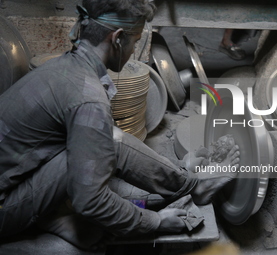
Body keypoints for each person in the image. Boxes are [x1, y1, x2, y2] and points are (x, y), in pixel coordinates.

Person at [0, 0, 240, 250]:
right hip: (4, 207)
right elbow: (91, 201)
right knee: (107, 151)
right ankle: (188, 184)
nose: (134, 50)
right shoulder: (87, 98)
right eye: (135, 42)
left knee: (106, 140)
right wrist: (154, 221)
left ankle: (187, 182)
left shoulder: (61, 67)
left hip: (14, 178)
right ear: (117, 39)